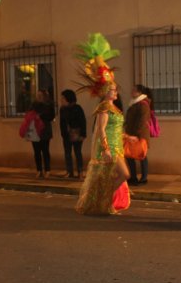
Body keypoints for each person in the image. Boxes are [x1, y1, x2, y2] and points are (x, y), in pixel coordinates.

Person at [75, 33, 130, 215]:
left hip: (118, 147)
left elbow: (115, 128)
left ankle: (104, 202)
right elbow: (100, 129)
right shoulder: (105, 107)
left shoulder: (114, 107)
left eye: (115, 89)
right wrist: (106, 148)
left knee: (114, 177)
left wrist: (125, 136)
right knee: (123, 175)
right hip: (109, 149)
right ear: (106, 91)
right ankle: (104, 201)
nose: (115, 91)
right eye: (113, 89)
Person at [124, 84, 151, 186]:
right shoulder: (134, 103)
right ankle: (133, 177)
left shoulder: (143, 104)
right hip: (131, 134)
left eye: (134, 90)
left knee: (142, 155)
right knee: (129, 155)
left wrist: (137, 135)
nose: (132, 92)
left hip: (140, 135)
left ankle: (144, 178)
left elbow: (143, 121)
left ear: (139, 92)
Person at [59, 89, 86, 179]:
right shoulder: (62, 109)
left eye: (63, 98)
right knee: (67, 153)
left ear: (68, 98)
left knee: (77, 152)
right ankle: (69, 172)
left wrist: (83, 134)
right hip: (66, 135)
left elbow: (82, 121)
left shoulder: (77, 108)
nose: (61, 100)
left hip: (76, 134)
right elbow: (61, 123)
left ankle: (80, 171)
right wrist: (63, 134)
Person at [30, 89, 55, 179]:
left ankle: (47, 170)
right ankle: (39, 170)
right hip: (35, 131)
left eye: (40, 95)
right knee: (36, 152)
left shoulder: (48, 105)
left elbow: (51, 116)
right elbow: (29, 115)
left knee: (45, 151)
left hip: (44, 131)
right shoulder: (34, 105)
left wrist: (41, 116)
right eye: (37, 95)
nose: (38, 97)